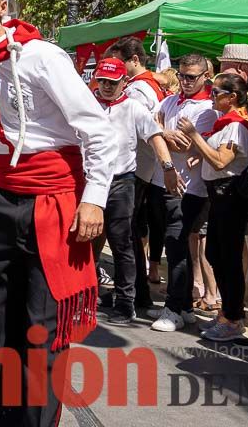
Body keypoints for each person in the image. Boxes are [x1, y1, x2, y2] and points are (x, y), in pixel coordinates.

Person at [92, 56, 173, 325]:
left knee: (121, 242)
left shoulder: (134, 108)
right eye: (102, 80)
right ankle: (85, 295)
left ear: (124, 82)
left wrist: (168, 167)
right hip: (90, 180)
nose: (105, 86)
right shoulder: (88, 103)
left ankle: (126, 303)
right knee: (85, 241)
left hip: (120, 183)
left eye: (111, 82)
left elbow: (155, 137)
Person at [179, 74, 248, 342]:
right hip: (219, 194)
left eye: (216, 93)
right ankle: (228, 314)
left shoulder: (236, 125)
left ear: (231, 97)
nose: (211, 97)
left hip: (231, 194)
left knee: (227, 257)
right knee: (216, 253)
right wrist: (199, 155)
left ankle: (233, 317)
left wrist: (194, 136)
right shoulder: (226, 124)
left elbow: (222, 160)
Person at [149, 53, 217, 332]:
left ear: (205, 77)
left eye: (191, 77)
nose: (185, 81)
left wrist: (161, 133)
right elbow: (151, 125)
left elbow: (186, 146)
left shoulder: (207, 109)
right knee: (175, 245)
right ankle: (186, 305)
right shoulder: (170, 100)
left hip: (188, 187)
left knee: (176, 245)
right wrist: (163, 132)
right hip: (161, 182)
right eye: (182, 76)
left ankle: (174, 307)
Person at [106, 36, 168, 310]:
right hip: (141, 169)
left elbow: (145, 129)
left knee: (125, 237)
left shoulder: (138, 90)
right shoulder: (147, 85)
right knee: (129, 235)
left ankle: (133, 294)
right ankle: (132, 290)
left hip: (135, 170)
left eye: (122, 63)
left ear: (134, 60)